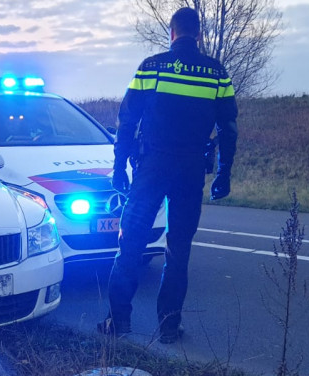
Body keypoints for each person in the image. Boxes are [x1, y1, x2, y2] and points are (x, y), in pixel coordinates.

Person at [99, 7, 238, 344]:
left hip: (152, 168)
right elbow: (229, 128)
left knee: (130, 243)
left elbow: (127, 122)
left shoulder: (152, 66)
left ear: (171, 33)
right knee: (178, 250)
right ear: (199, 34)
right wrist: (224, 173)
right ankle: (169, 327)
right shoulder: (216, 73)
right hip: (190, 171)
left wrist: (119, 168)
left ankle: (118, 323)